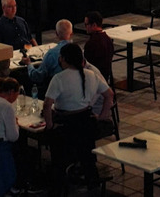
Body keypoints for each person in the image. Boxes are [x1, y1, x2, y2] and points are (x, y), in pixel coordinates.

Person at [44, 43, 114, 193]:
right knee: (87, 157)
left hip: (65, 124)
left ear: (63, 59)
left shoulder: (59, 78)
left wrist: (49, 126)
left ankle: (60, 187)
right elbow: (109, 95)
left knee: (59, 160)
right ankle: (93, 186)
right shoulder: (91, 74)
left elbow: (47, 104)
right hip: (86, 122)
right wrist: (102, 116)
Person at [22, 19, 72, 85]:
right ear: (72, 33)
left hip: (54, 86)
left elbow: (37, 76)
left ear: (56, 33)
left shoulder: (51, 53)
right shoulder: (78, 52)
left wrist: (29, 64)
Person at [83, 11, 114, 81]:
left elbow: (87, 64)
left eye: (86, 24)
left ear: (94, 25)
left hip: (94, 78)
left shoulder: (91, 43)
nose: (85, 27)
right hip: (105, 76)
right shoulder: (108, 39)